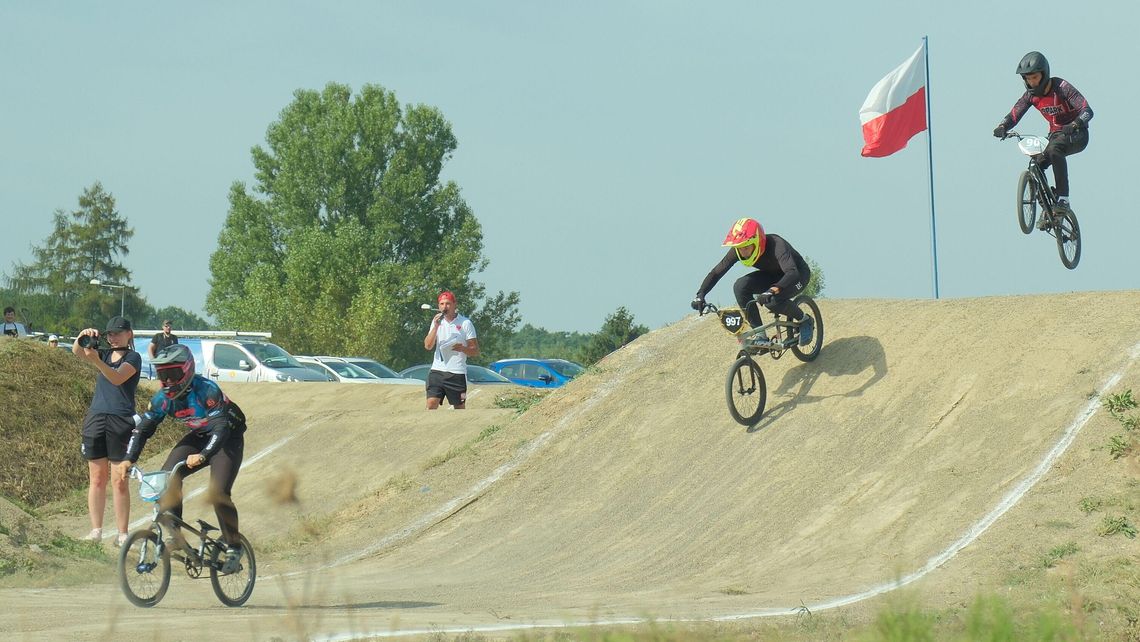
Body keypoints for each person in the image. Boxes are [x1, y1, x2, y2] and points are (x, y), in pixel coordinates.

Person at [115, 344, 248, 573]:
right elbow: (143, 429)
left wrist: (204, 455)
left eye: (172, 374)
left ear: (187, 370)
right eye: (162, 375)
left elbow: (220, 429)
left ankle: (234, 545)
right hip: (199, 435)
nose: (167, 381)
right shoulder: (162, 400)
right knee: (167, 478)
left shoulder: (207, 391)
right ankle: (176, 535)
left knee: (218, 493)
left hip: (226, 437)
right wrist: (129, 458)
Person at [993, 51, 1093, 229]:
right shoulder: (1030, 96)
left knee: (1055, 150)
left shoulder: (1062, 87)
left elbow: (1087, 110)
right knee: (1036, 164)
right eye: (1028, 79)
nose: (1032, 82)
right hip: (1055, 136)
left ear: (1044, 74)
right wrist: (1002, 127)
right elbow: (1016, 113)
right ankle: (1048, 209)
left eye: (1035, 77)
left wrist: (1076, 123)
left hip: (1077, 134)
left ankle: (1063, 199)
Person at [691, 217, 814, 346]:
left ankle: (804, 320)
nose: (742, 252)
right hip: (771, 276)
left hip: (797, 276)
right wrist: (700, 294)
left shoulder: (777, 244)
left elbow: (792, 272)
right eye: (739, 248)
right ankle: (760, 334)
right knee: (740, 286)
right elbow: (716, 272)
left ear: (757, 241)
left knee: (773, 302)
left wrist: (772, 290)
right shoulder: (739, 249)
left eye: (745, 247)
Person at [73, 315, 140, 546]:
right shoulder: (101, 352)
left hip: (120, 418)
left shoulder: (133, 357)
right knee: (97, 478)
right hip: (97, 415)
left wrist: (97, 362)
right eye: (110, 334)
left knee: (119, 479)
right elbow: (77, 352)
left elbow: (117, 378)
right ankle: (96, 530)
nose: (113, 338)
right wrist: (83, 336)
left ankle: (122, 533)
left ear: (129, 333)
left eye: (118, 333)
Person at [423, 290, 479, 410]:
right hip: (437, 370)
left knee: (460, 405)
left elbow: (475, 350)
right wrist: (436, 326)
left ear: (454, 305)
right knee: (431, 403)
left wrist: (462, 348)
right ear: (438, 306)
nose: (445, 307)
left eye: (448, 303)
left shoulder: (465, 323)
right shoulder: (437, 322)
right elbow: (428, 346)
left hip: (457, 373)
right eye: (442, 304)